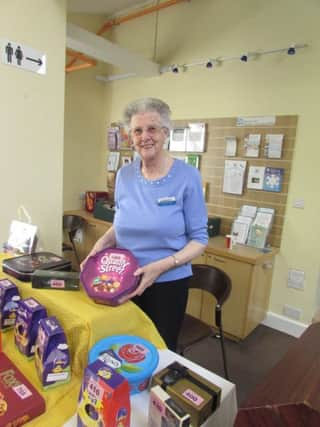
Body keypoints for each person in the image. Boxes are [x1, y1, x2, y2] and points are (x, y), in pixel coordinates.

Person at [81, 98, 208, 351]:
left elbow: (200, 240)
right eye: (137, 130)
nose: (144, 136)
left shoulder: (187, 176)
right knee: (122, 346)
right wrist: (97, 249)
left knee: (158, 350)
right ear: (131, 137)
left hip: (167, 285)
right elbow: (121, 224)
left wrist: (160, 267)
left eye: (152, 128)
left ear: (165, 133)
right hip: (122, 279)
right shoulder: (124, 175)